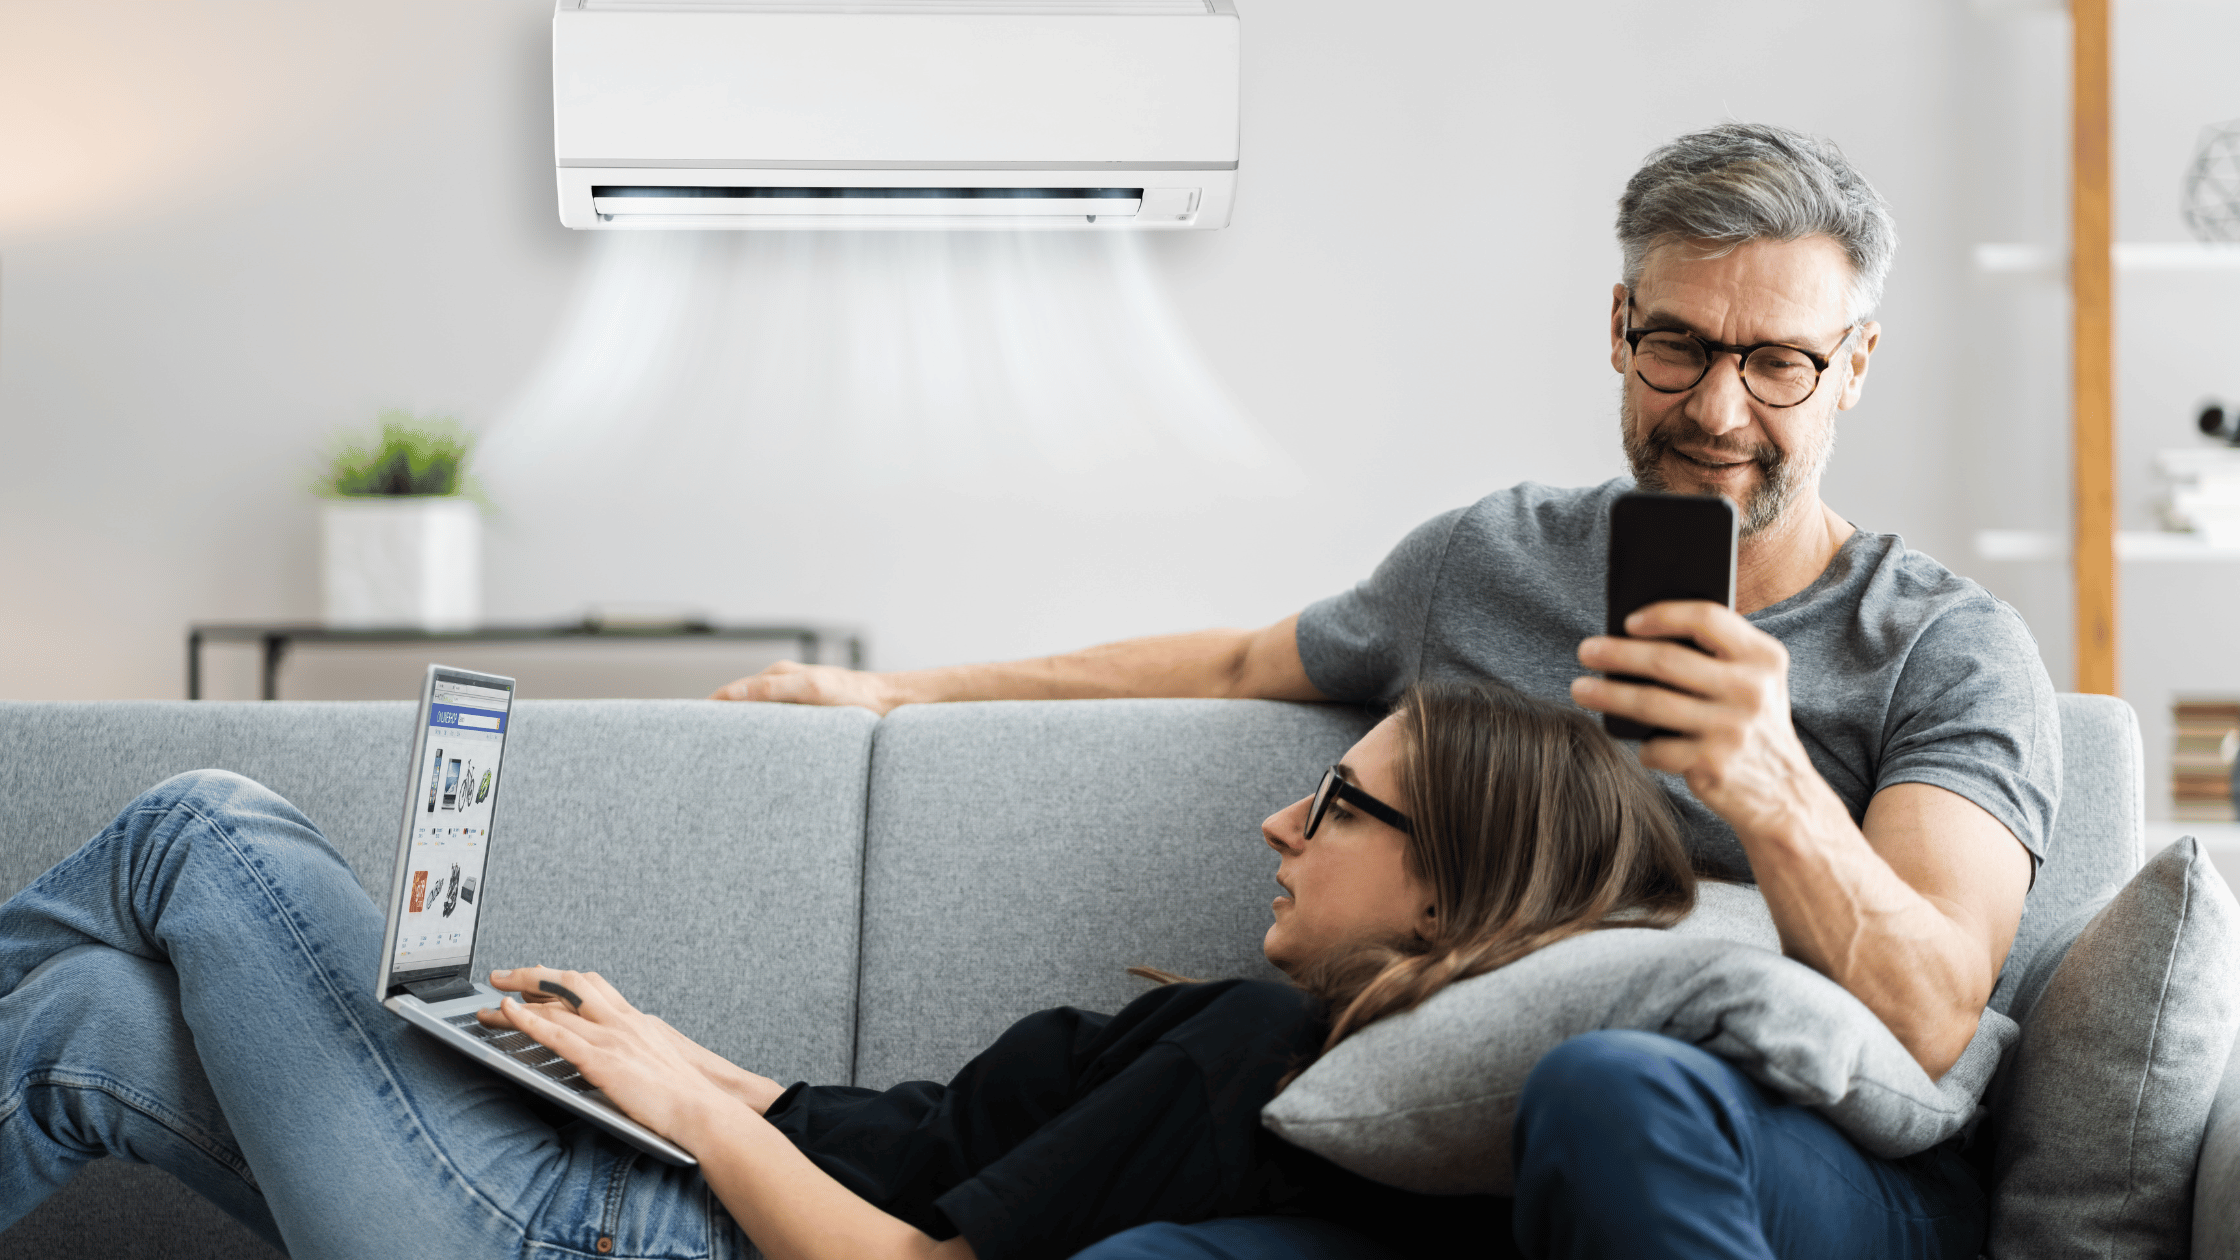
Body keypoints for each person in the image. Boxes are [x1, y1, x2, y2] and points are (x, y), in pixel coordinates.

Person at [714, 122, 2058, 1260]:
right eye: (1680, 347)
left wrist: (1774, 795)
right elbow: (1243, 659)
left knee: (1609, 1092)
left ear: (1855, 368)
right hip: (1447, 1156)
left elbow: (1934, 1009)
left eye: (1778, 364)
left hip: (1800, 1168)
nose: (1717, 408)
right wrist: (899, 692)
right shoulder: (1490, 561)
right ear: (1617, 328)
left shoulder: (1941, 646)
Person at [0, 680, 1687, 1259]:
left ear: (1449, 873)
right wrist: (688, 1063)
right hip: (624, 1196)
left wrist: (683, 1110)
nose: (1276, 820)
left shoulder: (1258, 1046)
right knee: (85, 1025)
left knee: (206, 823)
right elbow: (924, 1140)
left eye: (1333, 801)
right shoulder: (1277, 1048)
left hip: (605, 1239)